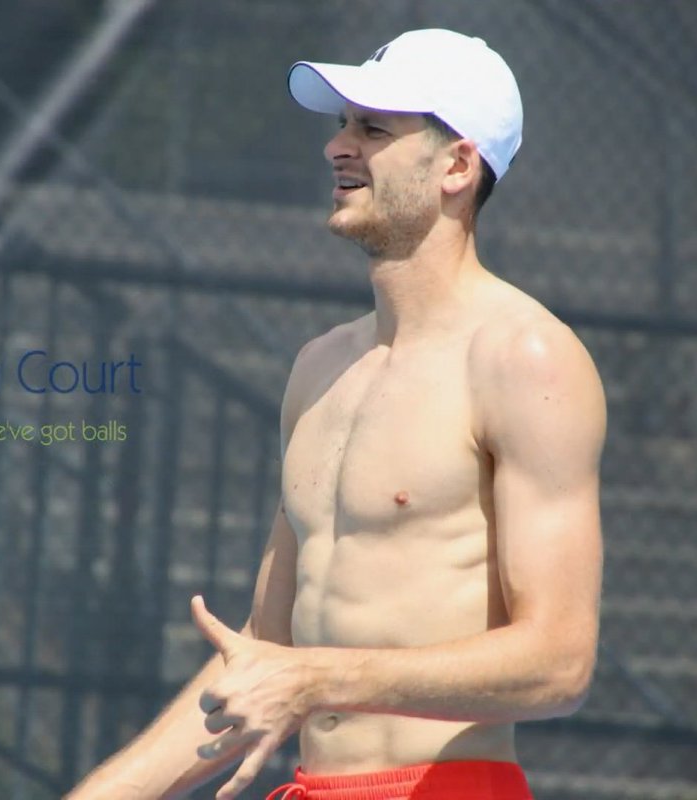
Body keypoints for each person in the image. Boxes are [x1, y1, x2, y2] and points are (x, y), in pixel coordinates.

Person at [67, 28, 605, 800]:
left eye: (374, 129)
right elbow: (267, 657)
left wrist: (315, 678)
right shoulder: (321, 367)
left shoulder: (525, 358)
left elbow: (560, 662)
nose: (337, 148)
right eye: (342, 124)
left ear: (457, 165)